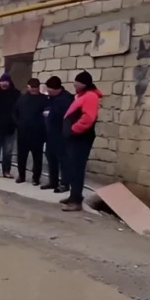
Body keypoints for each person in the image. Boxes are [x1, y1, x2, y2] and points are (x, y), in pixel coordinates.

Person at [61, 71, 102, 212]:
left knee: (77, 168)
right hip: (76, 138)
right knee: (73, 167)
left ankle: (76, 200)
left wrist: (73, 130)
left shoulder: (90, 97)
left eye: (76, 82)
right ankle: (74, 195)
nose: (74, 85)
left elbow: (88, 118)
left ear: (83, 83)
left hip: (81, 138)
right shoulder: (82, 95)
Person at [13, 78, 49, 186]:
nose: (34, 91)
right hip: (23, 131)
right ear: (28, 87)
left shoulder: (44, 99)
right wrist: (18, 123)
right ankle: (21, 175)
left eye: (36, 89)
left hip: (38, 132)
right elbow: (14, 112)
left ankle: (36, 178)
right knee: (21, 156)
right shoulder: (22, 98)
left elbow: (47, 114)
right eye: (32, 88)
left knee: (37, 157)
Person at [41, 76, 74, 193]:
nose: (48, 92)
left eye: (49, 89)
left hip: (61, 134)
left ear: (56, 89)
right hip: (51, 134)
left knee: (63, 159)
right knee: (50, 157)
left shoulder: (66, 99)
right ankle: (53, 181)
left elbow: (66, 117)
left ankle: (65, 183)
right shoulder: (52, 98)